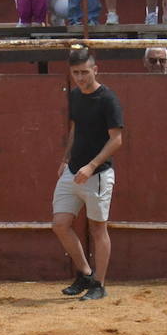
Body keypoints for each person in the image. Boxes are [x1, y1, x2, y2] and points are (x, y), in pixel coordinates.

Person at [53, 47, 123, 302]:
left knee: (97, 228)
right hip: (73, 170)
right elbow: (75, 129)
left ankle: (99, 284)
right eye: (76, 73)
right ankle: (84, 272)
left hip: (98, 174)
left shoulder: (108, 99)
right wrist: (66, 159)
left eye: (85, 72)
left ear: (95, 70)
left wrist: (92, 166)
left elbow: (116, 140)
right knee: (60, 224)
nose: (81, 78)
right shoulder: (74, 96)